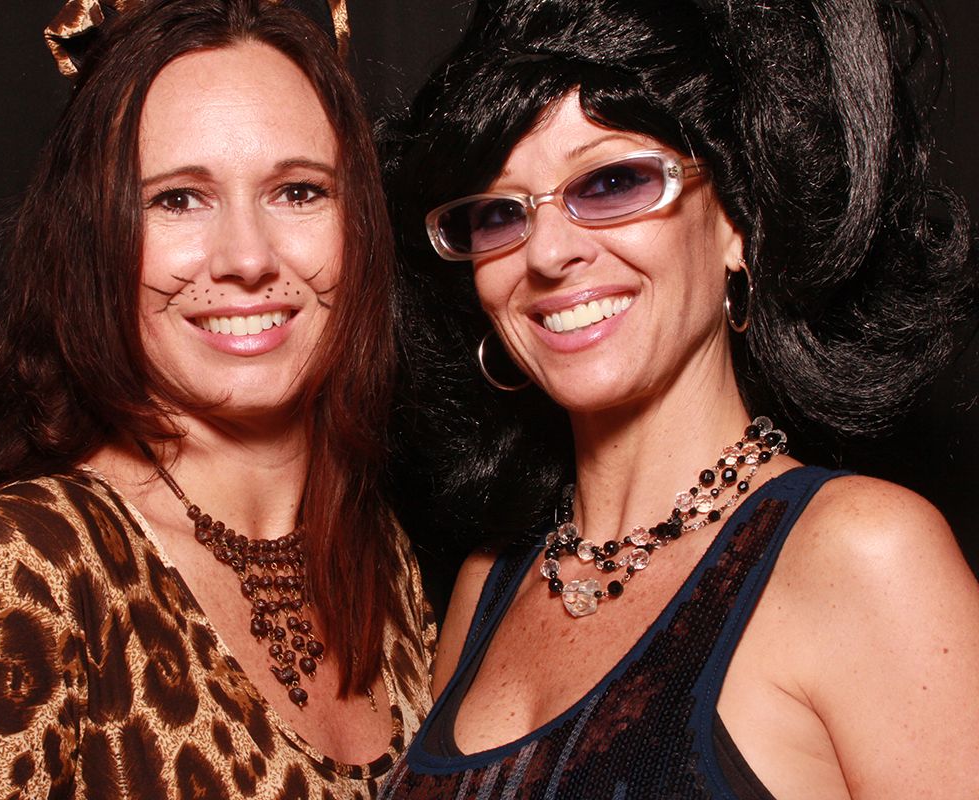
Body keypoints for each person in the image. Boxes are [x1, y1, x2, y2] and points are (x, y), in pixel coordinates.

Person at [379, 0, 979, 797]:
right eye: (498, 214)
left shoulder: (864, 555)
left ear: (738, 220)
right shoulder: (486, 588)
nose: (548, 253)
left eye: (612, 182)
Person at [0, 1, 434, 797]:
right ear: (95, 239)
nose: (248, 258)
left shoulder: (384, 557)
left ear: (359, 224)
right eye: (178, 198)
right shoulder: (29, 570)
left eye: (297, 191)